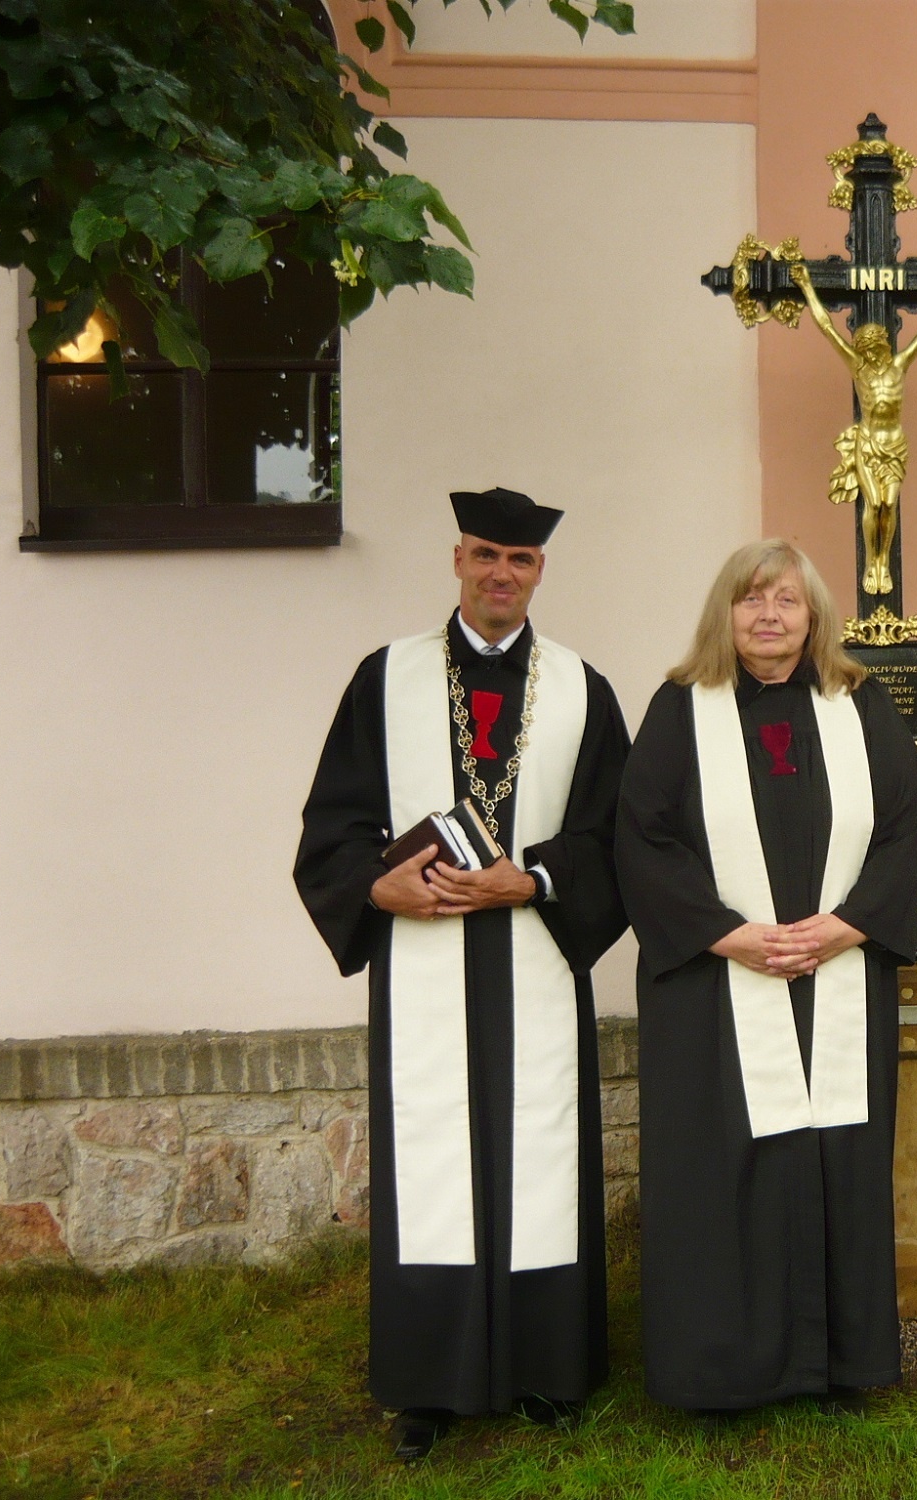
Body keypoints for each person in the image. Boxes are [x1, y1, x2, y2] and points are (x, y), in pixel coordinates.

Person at [293, 488, 631, 1459]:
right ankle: (428, 1386)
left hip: (531, 954)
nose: (499, 574)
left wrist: (534, 877)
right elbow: (332, 825)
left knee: (537, 1150)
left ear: (538, 572)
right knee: (435, 1155)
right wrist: (374, 889)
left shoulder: (580, 689)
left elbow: (615, 838)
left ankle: (547, 1371)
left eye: (519, 560)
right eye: (485, 554)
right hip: (424, 963)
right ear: (455, 559)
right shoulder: (387, 680)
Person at [616, 538, 917, 1411]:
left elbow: (908, 820)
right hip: (718, 984)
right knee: (731, 1162)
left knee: (835, 1155)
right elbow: (642, 836)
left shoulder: (856, 704)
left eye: (785, 601)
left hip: (837, 971)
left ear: (812, 614)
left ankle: (839, 1363)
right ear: (726, 613)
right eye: (751, 600)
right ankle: (723, 1368)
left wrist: (848, 924)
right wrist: (727, 937)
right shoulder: (681, 708)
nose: (768, 616)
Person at [790, 259, 917, 596]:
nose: (870, 353)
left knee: (890, 504)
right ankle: (874, 562)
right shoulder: (859, 370)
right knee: (874, 505)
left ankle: (885, 561)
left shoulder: (899, 366)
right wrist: (807, 286)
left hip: (894, 443)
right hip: (868, 443)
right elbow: (828, 329)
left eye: (874, 347)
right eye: (865, 349)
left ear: (883, 345)